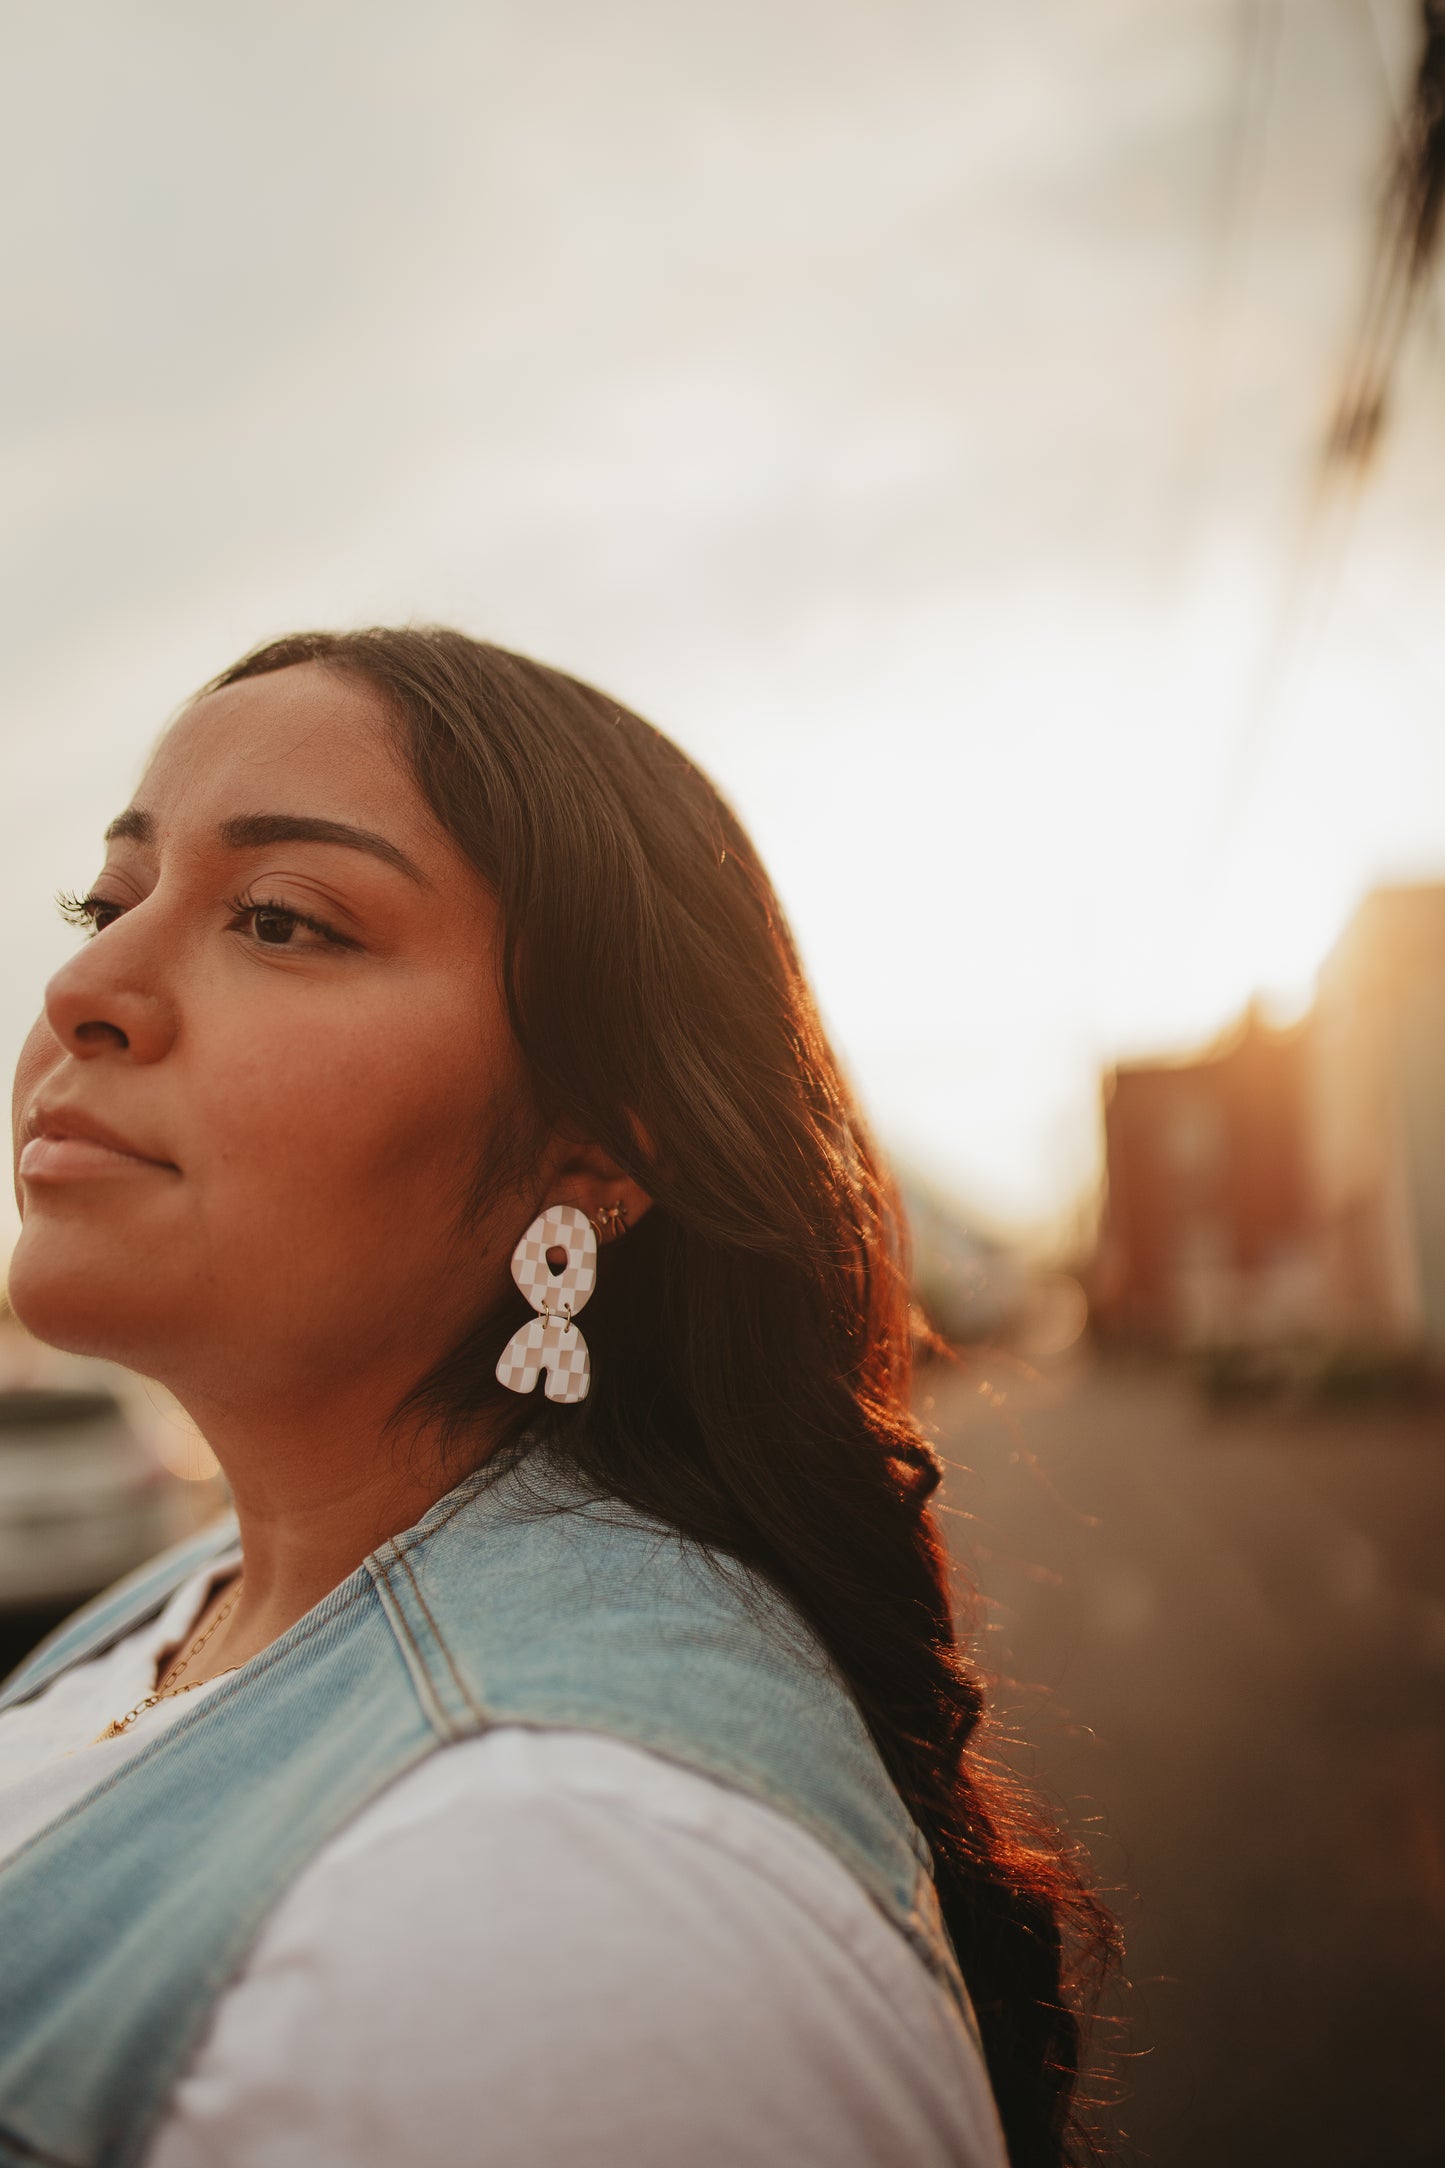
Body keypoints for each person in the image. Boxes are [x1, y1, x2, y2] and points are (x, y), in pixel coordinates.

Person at [0, 629, 1113, 2168]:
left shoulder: (565, 1899)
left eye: (279, 918)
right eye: (106, 902)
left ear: (592, 1149)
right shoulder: (195, 1597)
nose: (83, 989)